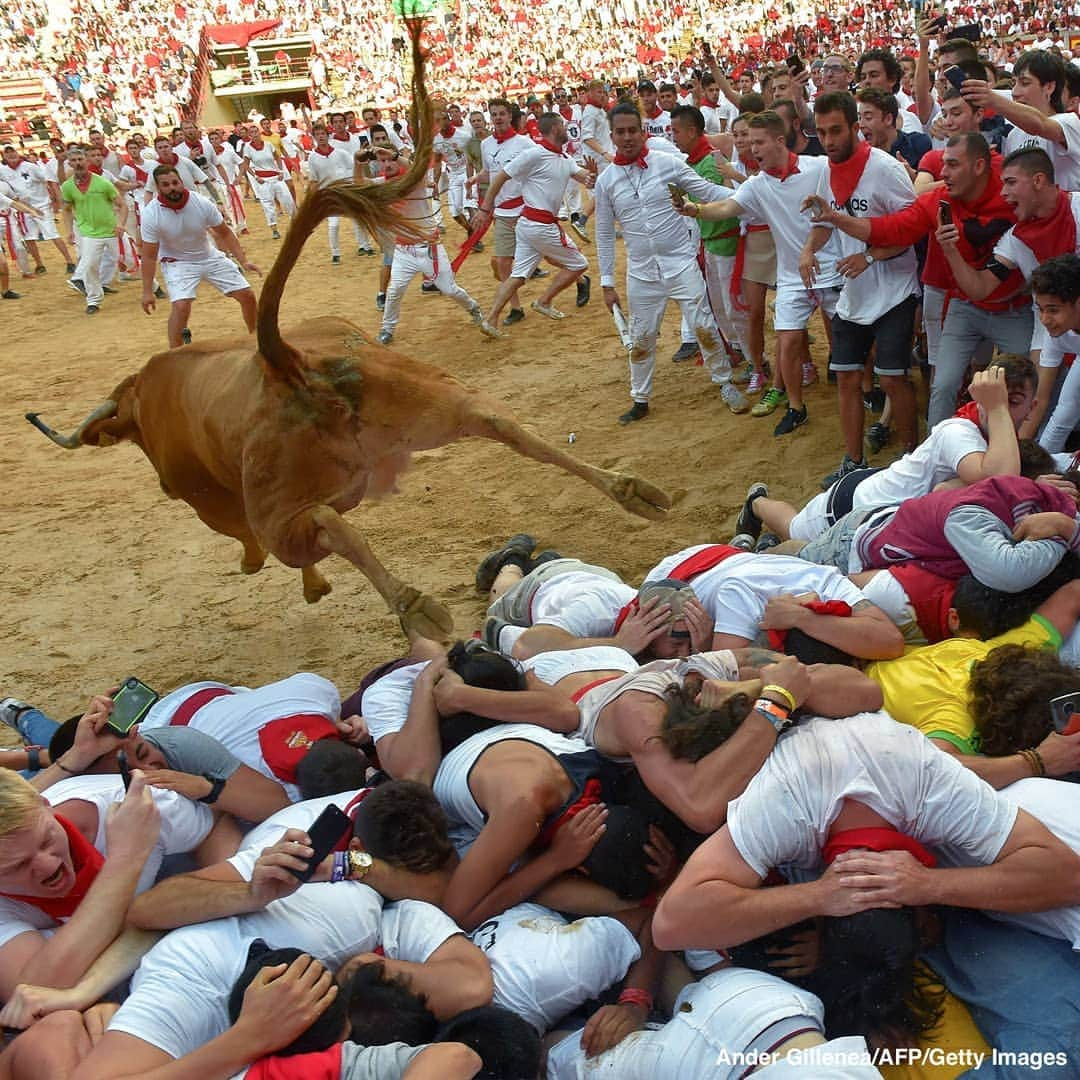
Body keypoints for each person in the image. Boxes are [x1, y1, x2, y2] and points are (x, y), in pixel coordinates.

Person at [652, 711, 1080, 955]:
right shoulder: (785, 804)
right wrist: (817, 897)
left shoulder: (929, 782)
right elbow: (670, 925)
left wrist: (928, 885)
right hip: (797, 739)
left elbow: (1067, 874)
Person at [810, 133, 1027, 428]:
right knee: (943, 385)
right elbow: (891, 229)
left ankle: (1027, 454)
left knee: (1030, 382)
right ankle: (933, 455)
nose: (944, 174)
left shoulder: (1014, 192)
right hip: (965, 306)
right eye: (943, 166)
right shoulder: (937, 202)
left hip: (1014, 307)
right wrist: (836, 218)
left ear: (979, 166)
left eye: (952, 165)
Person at [676, 110, 840, 436]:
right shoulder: (758, 184)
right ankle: (796, 406)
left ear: (780, 140)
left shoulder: (819, 167)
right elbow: (727, 207)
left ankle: (867, 387)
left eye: (759, 142)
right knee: (788, 339)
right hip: (793, 276)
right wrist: (695, 209)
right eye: (750, 143)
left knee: (848, 338)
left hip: (832, 269)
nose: (753, 149)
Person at [0, 762, 210, 1000]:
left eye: (46, 840)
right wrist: (125, 859)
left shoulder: (140, 807)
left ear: (45, 805)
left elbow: (219, 832)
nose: (48, 865)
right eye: (17, 866)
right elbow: (31, 992)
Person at [595, 102, 748, 424]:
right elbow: (605, 234)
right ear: (611, 136)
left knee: (704, 326)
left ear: (643, 132)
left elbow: (706, 191)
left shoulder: (667, 164)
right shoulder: (606, 181)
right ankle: (640, 397)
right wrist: (606, 282)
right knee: (642, 337)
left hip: (679, 262)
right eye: (620, 132)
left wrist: (752, 195)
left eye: (632, 130)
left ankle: (723, 381)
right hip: (642, 273)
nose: (627, 137)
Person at [805, 91, 920, 481]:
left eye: (836, 130)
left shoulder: (886, 169)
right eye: (821, 132)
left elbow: (910, 231)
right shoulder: (826, 168)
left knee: (891, 378)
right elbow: (823, 222)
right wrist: (808, 251)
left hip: (894, 289)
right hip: (854, 291)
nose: (829, 140)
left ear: (856, 127)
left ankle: (911, 457)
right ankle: (853, 461)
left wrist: (869, 256)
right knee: (848, 377)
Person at [938, 148, 1080, 438]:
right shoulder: (1014, 240)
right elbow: (980, 288)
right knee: (1045, 404)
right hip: (1050, 327)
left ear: (1038, 180)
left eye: (1011, 182)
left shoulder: (1079, 209)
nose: (1003, 193)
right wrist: (950, 251)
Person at [643, 542, 904, 659]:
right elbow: (721, 674)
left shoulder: (828, 582)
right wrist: (703, 652)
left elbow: (890, 642)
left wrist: (803, 617)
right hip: (679, 571)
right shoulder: (740, 593)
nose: (682, 651)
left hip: (744, 562)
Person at [476, 112, 592, 337]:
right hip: (541, 225)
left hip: (529, 224)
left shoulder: (564, 158)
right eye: (563, 125)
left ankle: (490, 319)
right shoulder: (534, 154)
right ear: (555, 129)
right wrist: (485, 206)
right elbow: (500, 176)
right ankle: (544, 301)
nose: (567, 128)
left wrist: (592, 175)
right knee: (579, 264)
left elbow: (582, 175)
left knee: (518, 275)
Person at [139, 166, 259, 349]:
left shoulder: (201, 203)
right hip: (176, 262)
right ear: (158, 188)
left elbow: (225, 233)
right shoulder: (151, 214)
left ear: (181, 182)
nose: (172, 188)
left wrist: (243, 260)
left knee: (247, 295)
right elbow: (148, 255)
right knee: (181, 307)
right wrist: (147, 291)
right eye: (165, 185)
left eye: (175, 183)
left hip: (208, 255)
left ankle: (256, 338)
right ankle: (176, 353)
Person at [376, 146, 483, 347]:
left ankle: (473, 307)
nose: (387, 164)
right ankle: (387, 329)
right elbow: (358, 183)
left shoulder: (414, 181)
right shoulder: (382, 184)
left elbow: (414, 169)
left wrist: (394, 155)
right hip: (403, 250)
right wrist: (358, 161)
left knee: (449, 290)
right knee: (394, 290)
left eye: (390, 160)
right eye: (382, 161)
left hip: (428, 247)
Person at [473, 98, 533, 327]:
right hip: (503, 212)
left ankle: (579, 278)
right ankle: (516, 307)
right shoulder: (486, 144)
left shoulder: (525, 144)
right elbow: (490, 172)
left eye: (501, 114)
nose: (497, 118)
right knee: (502, 262)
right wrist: (475, 178)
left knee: (549, 254)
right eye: (494, 114)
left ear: (510, 116)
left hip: (526, 209)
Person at [59, 145, 126, 315]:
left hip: (112, 230)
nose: (78, 163)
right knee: (89, 265)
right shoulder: (67, 187)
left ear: (86, 161)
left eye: (80, 159)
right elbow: (66, 209)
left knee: (131, 261)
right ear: (70, 164)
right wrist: (69, 230)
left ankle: (153, 286)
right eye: (73, 160)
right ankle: (93, 300)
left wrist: (121, 225)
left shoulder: (102, 182)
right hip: (89, 233)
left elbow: (121, 205)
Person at [1031, 255, 1080, 452]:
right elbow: (1040, 400)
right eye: (1040, 309)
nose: (1044, 319)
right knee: (1062, 416)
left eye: (1053, 310)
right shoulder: (1055, 333)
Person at [0, 143, 74, 272]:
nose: (11, 154)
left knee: (52, 233)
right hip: (22, 208)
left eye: (12, 151)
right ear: (4, 156)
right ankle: (39, 264)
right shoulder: (3, 171)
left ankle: (69, 261)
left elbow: (48, 179)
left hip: (41, 205)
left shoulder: (30, 167)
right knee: (29, 237)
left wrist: (53, 196)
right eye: (7, 152)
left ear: (17, 152)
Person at [307, 121, 364, 264]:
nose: (320, 137)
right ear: (314, 137)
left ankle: (364, 246)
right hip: (328, 194)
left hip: (345, 191)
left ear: (328, 136)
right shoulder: (312, 157)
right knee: (334, 224)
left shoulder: (340, 153)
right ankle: (335, 253)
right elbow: (314, 179)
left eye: (323, 134)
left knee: (357, 218)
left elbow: (354, 167)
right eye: (317, 134)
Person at [239, 122, 295, 240]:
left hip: (276, 177)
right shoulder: (248, 148)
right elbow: (246, 164)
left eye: (256, 132)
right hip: (263, 180)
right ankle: (274, 229)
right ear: (249, 135)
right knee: (268, 205)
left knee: (288, 200)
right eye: (252, 133)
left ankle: (296, 224)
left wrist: (280, 171)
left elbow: (278, 157)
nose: (254, 135)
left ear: (259, 133)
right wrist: (255, 176)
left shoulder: (268, 144)